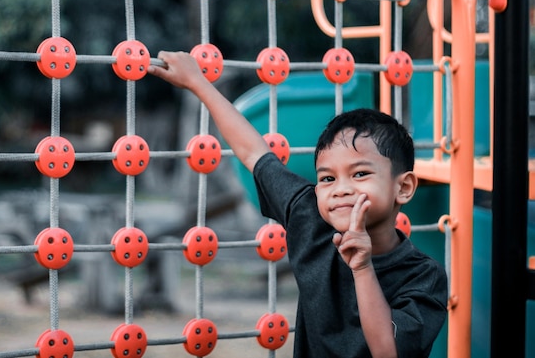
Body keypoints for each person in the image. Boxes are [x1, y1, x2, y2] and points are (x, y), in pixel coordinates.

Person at [147, 51, 448, 358]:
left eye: (359, 174)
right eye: (327, 179)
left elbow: (387, 353)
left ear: (404, 187)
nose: (340, 190)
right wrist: (199, 84)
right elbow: (254, 154)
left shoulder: (424, 277)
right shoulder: (310, 218)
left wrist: (362, 267)